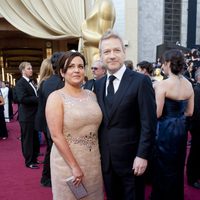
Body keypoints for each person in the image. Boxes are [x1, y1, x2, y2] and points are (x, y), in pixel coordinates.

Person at [94, 29, 157, 200]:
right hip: (106, 161)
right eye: (107, 51)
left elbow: (149, 123)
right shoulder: (98, 85)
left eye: (116, 50)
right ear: (101, 56)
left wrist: (142, 156)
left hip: (132, 160)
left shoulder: (140, 81)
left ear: (124, 52)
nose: (112, 55)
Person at [46, 51, 104, 200]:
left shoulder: (92, 95)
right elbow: (56, 135)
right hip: (67, 163)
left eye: (80, 66)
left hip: (93, 161)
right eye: (71, 67)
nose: (77, 70)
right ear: (62, 72)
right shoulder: (56, 97)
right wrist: (74, 166)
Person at [151, 49, 194, 200]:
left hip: (165, 130)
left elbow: (157, 113)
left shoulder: (162, 85)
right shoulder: (189, 84)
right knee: (177, 164)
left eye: (163, 63)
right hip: (181, 129)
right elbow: (189, 112)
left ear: (168, 64)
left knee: (163, 165)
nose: (162, 66)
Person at [40, 52, 64, 187]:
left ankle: (46, 177)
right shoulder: (61, 83)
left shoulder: (46, 82)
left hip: (47, 124)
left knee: (50, 151)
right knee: (55, 153)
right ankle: (50, 178)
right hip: (56, 125)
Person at [15, 62, 40, 169]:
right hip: (26, 116)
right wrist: (38, 99)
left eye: (31, 68)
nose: (31, 70)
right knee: (27, 139)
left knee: (35, 138)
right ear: (23, 71)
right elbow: (22, 99)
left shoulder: (32, 81)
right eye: (29, 68)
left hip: (34, 115)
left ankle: (34, 158)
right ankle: (29, 161)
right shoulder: (20, 83)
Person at [81, 0, 115, 77]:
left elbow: (105, 38)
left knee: (97, 85)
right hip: (90, 56)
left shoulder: (106, 4)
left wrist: (84, 33)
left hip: (96, 56)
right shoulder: (96, 4)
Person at [186, 68, 200, 189]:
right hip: (197, 128)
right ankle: (192, 178)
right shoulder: (196, 90)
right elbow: (195, 113)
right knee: (195, 154)